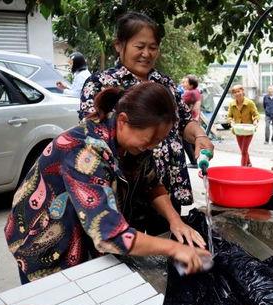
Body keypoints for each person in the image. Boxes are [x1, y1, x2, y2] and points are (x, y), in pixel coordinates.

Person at [5, 83, 211, 284]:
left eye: (159, 140)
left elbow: (151, 183)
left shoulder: (136, 143)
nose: (153, 146)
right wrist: (175, 249)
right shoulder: (84, 151)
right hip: (47, 244)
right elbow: (109, 235)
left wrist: (176, 221)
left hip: (87, 240)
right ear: (123, 121)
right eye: (150, 139)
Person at [79, 12, 213, 233]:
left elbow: (185, 122)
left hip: (165, 187)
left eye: (153, 47)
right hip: (128, 189)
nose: (147, 53)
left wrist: (200, 136)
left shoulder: (165, 83)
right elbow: (95, 137)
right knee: (128, 245)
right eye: (139, 46)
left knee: (169, 236)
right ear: (119, 45)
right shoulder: (100, 84)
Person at [226, 85, 260, 167]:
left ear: (243, 91)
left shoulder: (249, 103)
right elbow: (229, 116)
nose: (237, 94)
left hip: (248, 130)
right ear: (233, 94)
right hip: (238, 130)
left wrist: (255, 121)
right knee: (243, 150)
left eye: (238, 91)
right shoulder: (232, 104)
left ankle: (243, 168)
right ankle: (248, 163)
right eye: (234, 92)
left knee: (244, 151)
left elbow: (256, 115)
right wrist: (231, 122)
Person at [181, 74, 202, 168]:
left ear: (191, 84)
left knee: (186, 141)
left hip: (188, 120)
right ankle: (195, 159)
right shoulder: (196, 92)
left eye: (185, 82)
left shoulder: (189, 93)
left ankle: (193, 162)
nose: (183, 84)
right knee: (192, 140)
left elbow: (179, 103)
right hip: (195, 118)